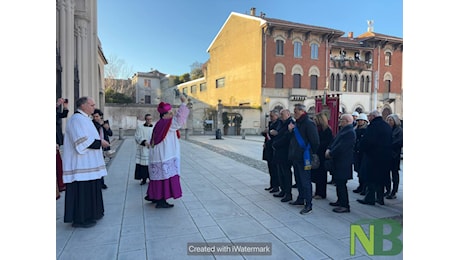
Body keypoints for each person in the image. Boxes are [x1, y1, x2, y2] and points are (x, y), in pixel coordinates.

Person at [62, 97, 110, 228]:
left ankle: (92, 213)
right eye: (91, 105)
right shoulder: (77, 119)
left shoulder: (84, 119)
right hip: (80, 164)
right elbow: (82, 141)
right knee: (82, 191)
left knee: (91, 188)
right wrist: (101, 142)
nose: (94, 107)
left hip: (88, 163)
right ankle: (80, 219)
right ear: (83, 105)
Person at [145, 95, 190, 208]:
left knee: (158, 177)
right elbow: (179, 120)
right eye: (170, 113)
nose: (172, 114)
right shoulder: (167, 124)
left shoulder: (160, 124)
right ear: (164, 115)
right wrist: (184, 103)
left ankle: (154, 196)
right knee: (164, 176)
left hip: (159, 154)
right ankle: (161, 201)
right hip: (164, 155)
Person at [287, 104, 320, 215]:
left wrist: (309, 153)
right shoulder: (297, 123)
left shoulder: (309, 124)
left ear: (302, 111)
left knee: (306, 181)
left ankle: (308, 204)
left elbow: (315, 142)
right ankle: (300, 199)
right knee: (298, 179)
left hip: (305, 157)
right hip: (296, 156)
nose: (294, 113)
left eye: (295, 111)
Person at [357, 110, 392, 206]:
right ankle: (380, 198)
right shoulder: (386, 126)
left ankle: (370, 198)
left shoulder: (373, 126)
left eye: (369, 116)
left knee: (371, 179)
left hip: (373, 157)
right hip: (385, 157)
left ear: (373, 116)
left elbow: (367, 141)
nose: (368, 118)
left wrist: (361, 148)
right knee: (381, 179)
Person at [325, 114, 356, 213]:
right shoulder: (344, 130)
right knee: (338, 183)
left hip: (343, 162)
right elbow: (335, 142)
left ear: (347, 121)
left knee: (342, 184)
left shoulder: (350, 132)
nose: (340, 121)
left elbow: (341, 147)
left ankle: (345, 205)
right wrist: (329, 149)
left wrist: (331, 153)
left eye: (341, 120)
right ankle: (340, 201)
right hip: (338, 161)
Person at [272, 109, 295, 202]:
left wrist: (276, 143)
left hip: (285, 152)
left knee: (286, 173)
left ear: (288, 114)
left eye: (283, 114)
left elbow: (287, 137)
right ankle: (283, 190)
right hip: (279, 151)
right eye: (280, 114)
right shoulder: (281, 123)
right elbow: (278, 133)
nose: (281, 116)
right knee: (280, 172)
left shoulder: (290, 123)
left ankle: (288, 193)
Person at [311, 112, 334, 200]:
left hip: (322, 155)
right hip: (316, 155)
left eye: (316, 120)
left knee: (321, 175)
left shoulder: (327, 130)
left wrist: (317, 145)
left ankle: (321, 193)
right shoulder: (317, 129)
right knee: (316, 174)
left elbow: (327, 143)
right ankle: (317, 191)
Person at [261, 109, 282, 193]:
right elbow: (267, 134)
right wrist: (265, 132)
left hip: (273, 149)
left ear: (276, 116)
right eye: (270, 116)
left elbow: (275, 135)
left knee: (274, 169)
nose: (270, 117)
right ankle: (272, 185)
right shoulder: (270, 123)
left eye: (272, 116)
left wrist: (269, 132)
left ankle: (276, 186)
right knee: (270, 168)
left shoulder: (278, 123)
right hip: (268, 148)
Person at [92, 109, 112, 189]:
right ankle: (97, 182)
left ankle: (102, 182)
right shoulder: (92, 124)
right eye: (94, 117)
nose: (95, 118)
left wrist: (106, 128)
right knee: (97, 165)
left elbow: (110, 134)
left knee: (102, 165)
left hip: (104, 146)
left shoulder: (105, 123)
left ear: (100, 116)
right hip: (96, 146)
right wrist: (100, 125)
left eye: (97, 116)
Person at [385, 114, 403, 199]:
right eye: (388, 120)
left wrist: (389, 145)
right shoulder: (387, 129)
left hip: (394, 155)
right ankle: (388, 190)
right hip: (387, 154)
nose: (389, 122)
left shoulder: (399, 130)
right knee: (386, 174)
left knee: (394, 173)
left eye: (390, 120)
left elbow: (399, 142)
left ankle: (394, 191)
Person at [134, 114, 154, 185]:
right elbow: (137, 136)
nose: (149, 120)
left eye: (150, 119)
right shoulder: (140, 127)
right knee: (143, 165)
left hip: (151, 148)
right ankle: (144, 179)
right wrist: (144, 141)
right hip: (143, 148)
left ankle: (151, 179)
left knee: (151, 164)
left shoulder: (154, 127)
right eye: (147, 119)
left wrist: (152, 143)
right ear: (145, 119)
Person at [352, 113, 369, 195]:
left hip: (363, 153)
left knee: (363, 171)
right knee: (358, 170)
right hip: (356, 152)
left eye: (361, 120)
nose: (359, 122)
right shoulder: (355, 129)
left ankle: (364, 187)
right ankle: (360, 185)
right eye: (358, 120)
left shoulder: (367, 130)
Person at [56, 97, 69, 199]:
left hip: (57, 138)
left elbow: (63, 115)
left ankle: (60, 185)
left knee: (59, 164)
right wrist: (57, 104)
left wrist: (65, 107)